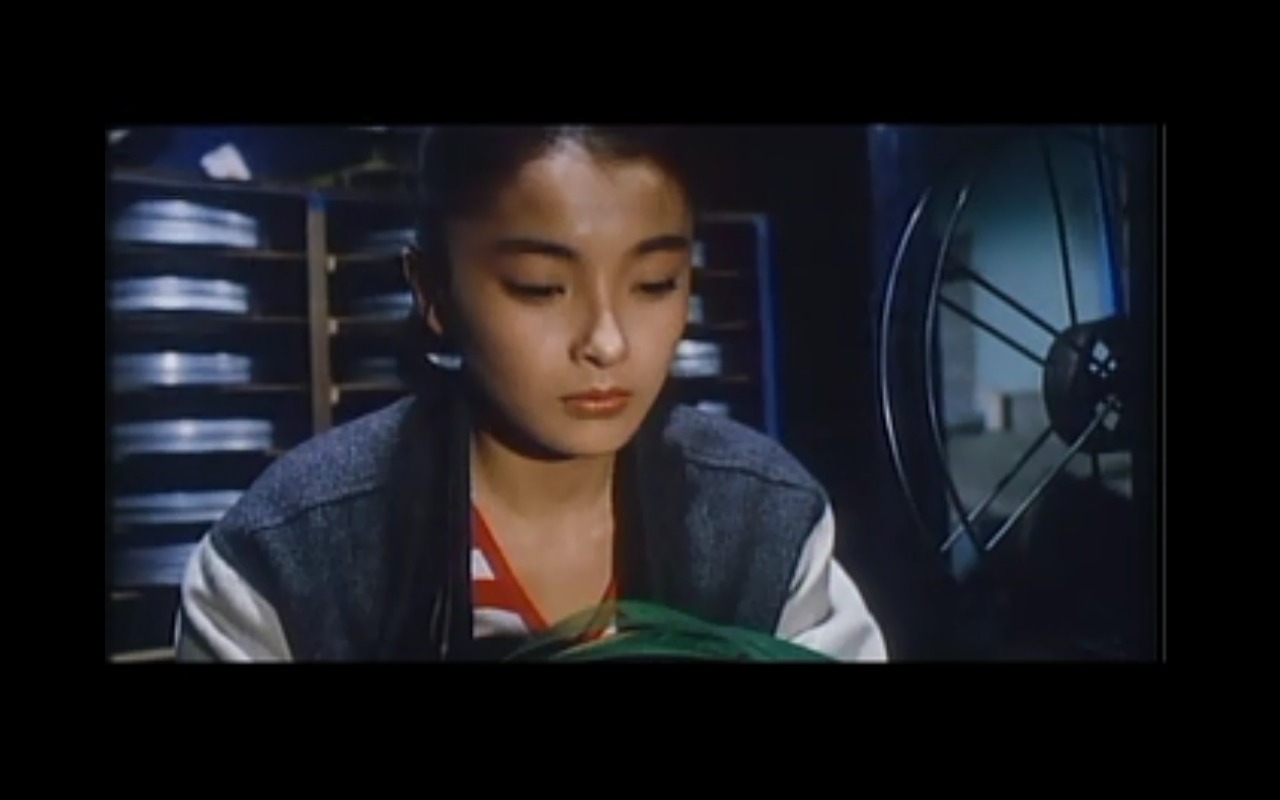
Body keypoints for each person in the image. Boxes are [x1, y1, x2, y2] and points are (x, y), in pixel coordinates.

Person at [174, 125, 887, 661]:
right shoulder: (285, 563)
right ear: (433, 291)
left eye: (654, 284)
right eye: (541, 288)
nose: (607, 341)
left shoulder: (765, 526)